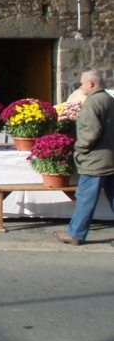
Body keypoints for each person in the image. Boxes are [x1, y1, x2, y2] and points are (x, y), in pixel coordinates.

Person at [53, 69, 114, 246]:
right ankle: (76, 232)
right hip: (110, 158)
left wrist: (79, 149)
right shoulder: (110, 100)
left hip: (95, 161)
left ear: (91, 84)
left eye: (82, 84)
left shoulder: (93, 103)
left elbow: (91, 132)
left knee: (86, 196)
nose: (81, 87)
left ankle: (75, 233)